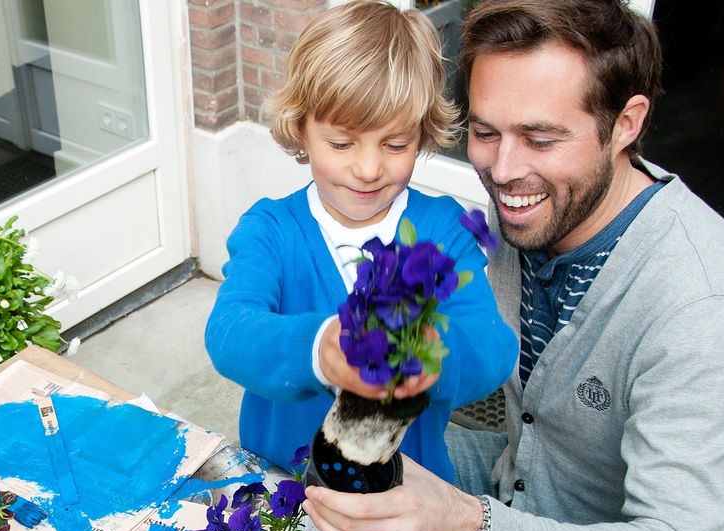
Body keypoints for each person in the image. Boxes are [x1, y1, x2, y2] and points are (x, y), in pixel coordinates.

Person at [302, 0, 724, 531]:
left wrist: (468, 530)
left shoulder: (705, 300)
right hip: (518, 508)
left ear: (625, 125)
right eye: (486, 132)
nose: (501, 170)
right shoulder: (518, 224)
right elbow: (513, 436)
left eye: (542, 138)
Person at [204, 0, 517, 479]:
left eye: (395, 145)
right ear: (302, 128)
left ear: (422, 133)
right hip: (287, 495)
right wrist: (320, 348)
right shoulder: (270, 230)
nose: (369, 169)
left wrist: (433, 353)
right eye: (342, 143)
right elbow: (229, 332)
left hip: (409, 495)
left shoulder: (440, 231)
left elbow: (493, 347)